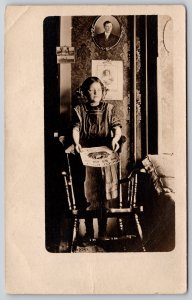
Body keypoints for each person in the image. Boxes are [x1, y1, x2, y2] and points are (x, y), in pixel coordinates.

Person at [72, 76, 122, 239]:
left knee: (102, 194)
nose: (96, 93)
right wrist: (76, 143)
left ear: (103, 92)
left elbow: (116, 128)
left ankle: (103, 231)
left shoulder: (109, 109)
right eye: (92, 90)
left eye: (99, 90)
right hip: (86, 155)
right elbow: (76, 129)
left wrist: (115, 139)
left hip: (105, 155)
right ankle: (89, 232)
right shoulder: (79, 110)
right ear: (86, 92)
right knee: (86, 194)